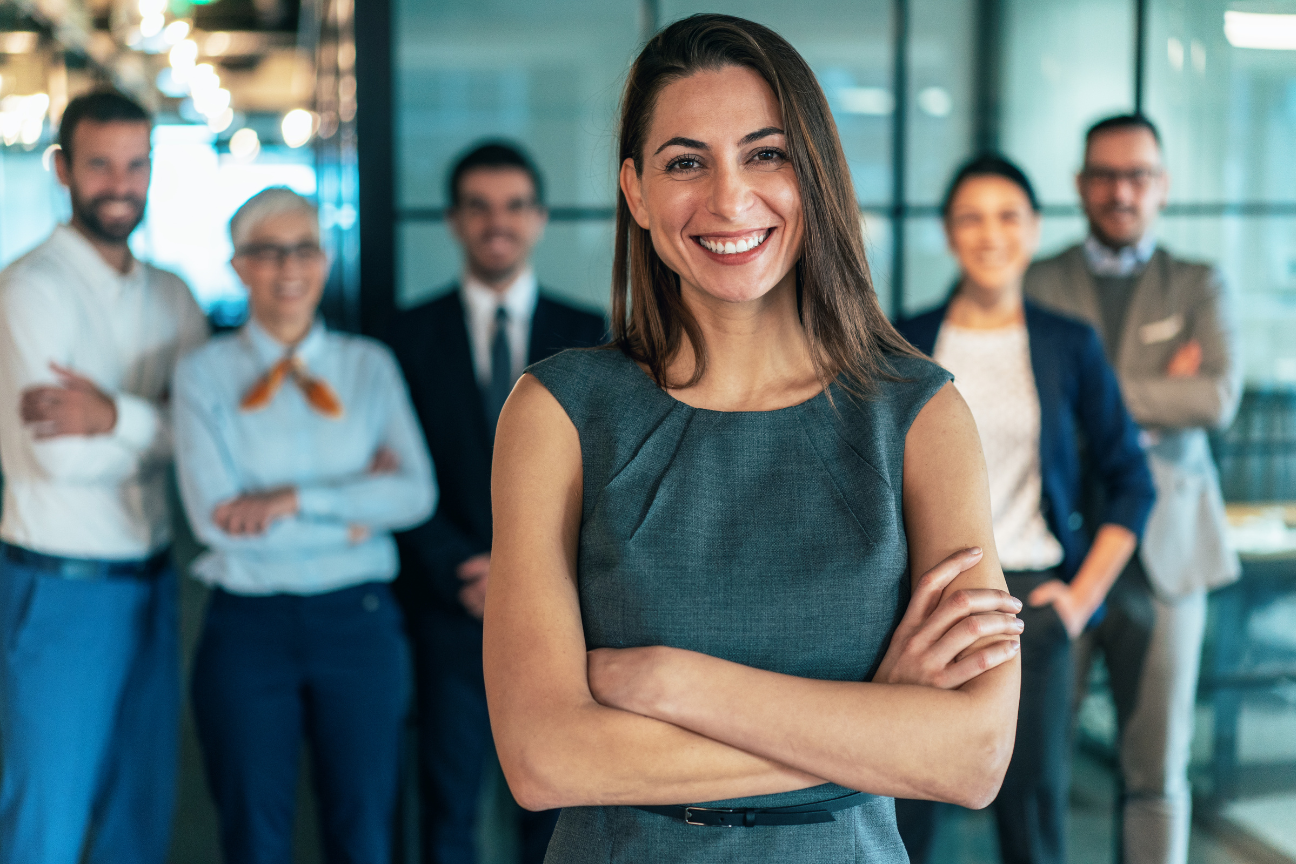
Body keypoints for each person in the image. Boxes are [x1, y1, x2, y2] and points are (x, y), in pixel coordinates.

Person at [483, 15, 1025, 863]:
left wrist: (668, 682)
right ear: (635, 192)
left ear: (815, 174)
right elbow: (544, 759)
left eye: (766, 154)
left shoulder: (919, 415)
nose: (730, 200)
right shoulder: (556, 413)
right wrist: (874, 722)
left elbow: (974, 757)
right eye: (685, 163)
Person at [893, 154, 1155, 864]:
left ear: (1035, 229)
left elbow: (1132, 480)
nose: (990, 234)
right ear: (948, 232)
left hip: (1028, 609)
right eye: (971, 218)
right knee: (902, 816)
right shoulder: (903, 340)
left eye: (1008, 216)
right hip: (923, 607)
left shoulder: (1068, 343)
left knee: (1032, 821)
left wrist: (1078, 602)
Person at [172, 188, 436, 863]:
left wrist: (290, 501)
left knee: (365, 833)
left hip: (358, 622)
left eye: (304, 249)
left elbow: (414, 496)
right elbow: (215, 520)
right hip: (248, 625)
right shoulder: (202, 374)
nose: (289, 267)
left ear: (324, 260)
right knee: (253, 835)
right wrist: (356, 509)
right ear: (238, 266)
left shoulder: (369, 366)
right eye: (267, 251)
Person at [1023, 114, 1241, 864]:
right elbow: (1025, 403)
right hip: (1060, 548)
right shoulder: (1038, 281)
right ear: (1081, 185)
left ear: (1162, 186)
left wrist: (1092, 395)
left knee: (1156, 772)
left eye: (1138, 176)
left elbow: (1216, 397)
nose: (1122, 192)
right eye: (1106, 176)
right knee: (1037, 763)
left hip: (1169, 556)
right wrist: (1156, 392)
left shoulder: (1198, 283)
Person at [0, 89, 207, 864]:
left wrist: (111, 415)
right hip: (59, 592)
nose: (121, 184)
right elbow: (58, 457)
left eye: (135, 164)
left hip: (154, 583)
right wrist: (157, 420)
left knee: (141, 819)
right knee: (44, 826)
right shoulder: (29, 290)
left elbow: (208, 439)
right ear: (62, 168)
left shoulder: (172, 294)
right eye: (99, 165)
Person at [386, 141, 605, 864]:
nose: (497, 223)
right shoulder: (404, 338)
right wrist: (462, 568)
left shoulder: (594, 337)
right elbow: (394, 474)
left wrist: (532, 575)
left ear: (539, 218)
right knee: (447, 806)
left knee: (552, 811)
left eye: (514, 206)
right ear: (453, 221)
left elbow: (607, 477)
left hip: (560, 614)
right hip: (451, 605)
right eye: (478, 207)